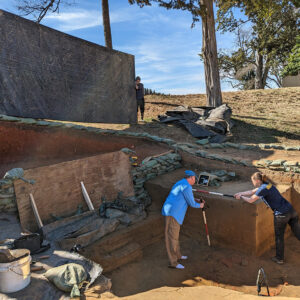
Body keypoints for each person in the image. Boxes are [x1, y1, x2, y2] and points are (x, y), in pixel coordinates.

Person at [235, 172, 300, 264]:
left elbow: (251, 200)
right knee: (298, 231)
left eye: (253, 181)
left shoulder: (262, 189)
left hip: (281, 215)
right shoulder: (268, 185)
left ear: (257, 181)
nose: (252, 183)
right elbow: (252, 191)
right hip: (291, 211)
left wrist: (241, 197)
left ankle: (279, 258)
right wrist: (240, 193)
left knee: (279, 237)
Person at [162, 170, 204, 269]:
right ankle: (173, 263)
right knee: (172, 238)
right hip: (173, 213)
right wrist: (200, 205)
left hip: (172, 211)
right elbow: (192, 204)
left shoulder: (181, 182)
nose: (195, 182)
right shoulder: (187, 186)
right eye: (195, 179)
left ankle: (178, 256)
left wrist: (196, 200)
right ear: (192, 178)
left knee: (174, 236)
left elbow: (186, 198)